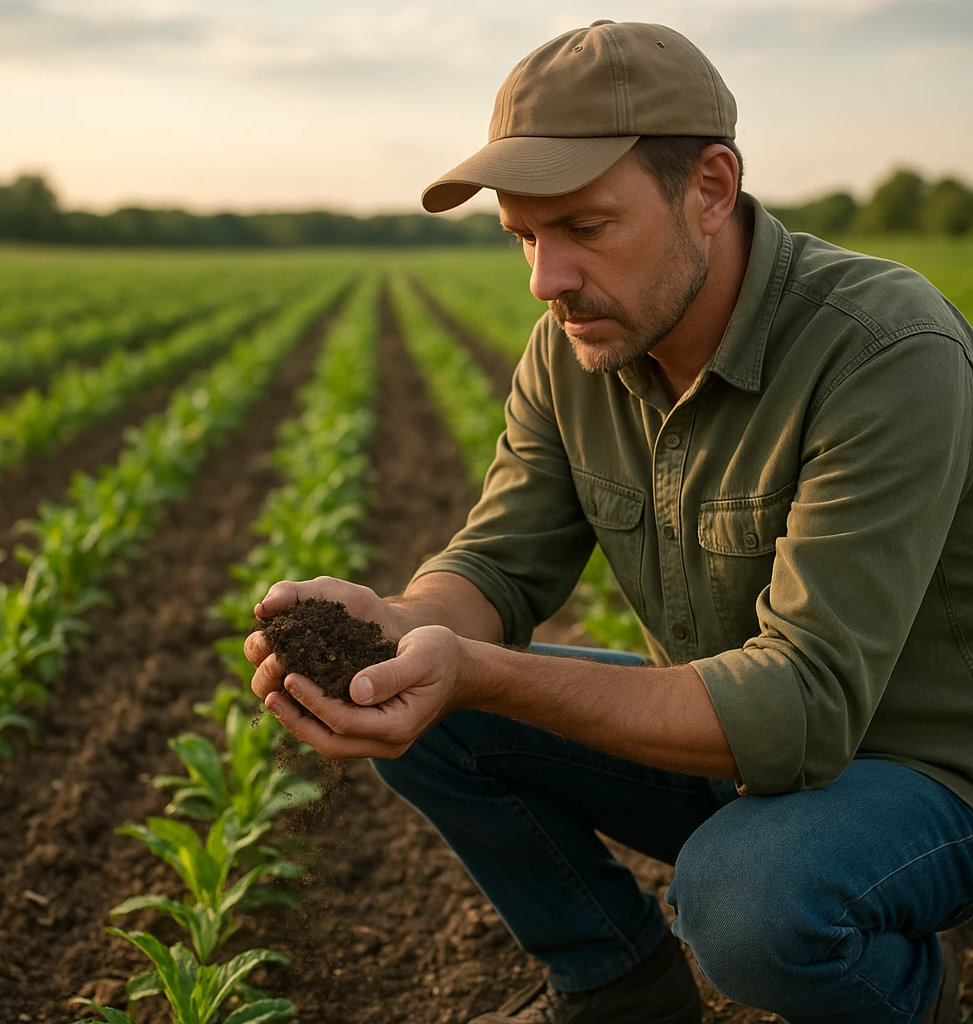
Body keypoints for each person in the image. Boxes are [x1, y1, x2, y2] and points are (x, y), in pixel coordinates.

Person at [245, 20, 973, 1024]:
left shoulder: (882, 348)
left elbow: (802, 706)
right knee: (425, 696)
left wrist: (476, 667)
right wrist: (401, 628)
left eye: (585, 227)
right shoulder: (573, 348)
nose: (546, 278)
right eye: (524, 236)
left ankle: (918, 1002)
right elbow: (496, 570)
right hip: (733, 759)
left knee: (746, 899)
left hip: (925, 779)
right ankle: (619, 991)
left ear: (709, 188)